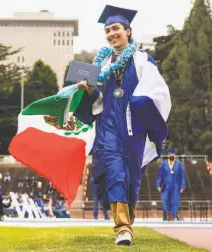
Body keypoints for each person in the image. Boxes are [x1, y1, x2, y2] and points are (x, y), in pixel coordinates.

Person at [74, 5, 171, 245]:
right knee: (114, 172)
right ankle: (122, 228)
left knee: (131, 177)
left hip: (132, 124)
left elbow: (159, 92)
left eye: (115, 28)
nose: (111, 33)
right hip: (107, 123)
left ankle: (127, 220)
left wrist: (140, 102)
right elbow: (90, 96)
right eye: (107, 30)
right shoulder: (97, 62)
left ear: (128, 30)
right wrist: (87, 89)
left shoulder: (143, 59)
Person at [156, 149, 185, 221]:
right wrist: (158, 185)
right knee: (165, 199)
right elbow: (160, 176)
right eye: (170, 155)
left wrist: (182, 186)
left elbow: (182, 176)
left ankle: (173, 216)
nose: (171, 156)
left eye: (173, 155)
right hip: (166, 185)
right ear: (167, 156)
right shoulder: (163, 164)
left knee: (175, 201)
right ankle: (168, 211)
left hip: (176, 186)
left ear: (175, 156)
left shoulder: (179, 164)